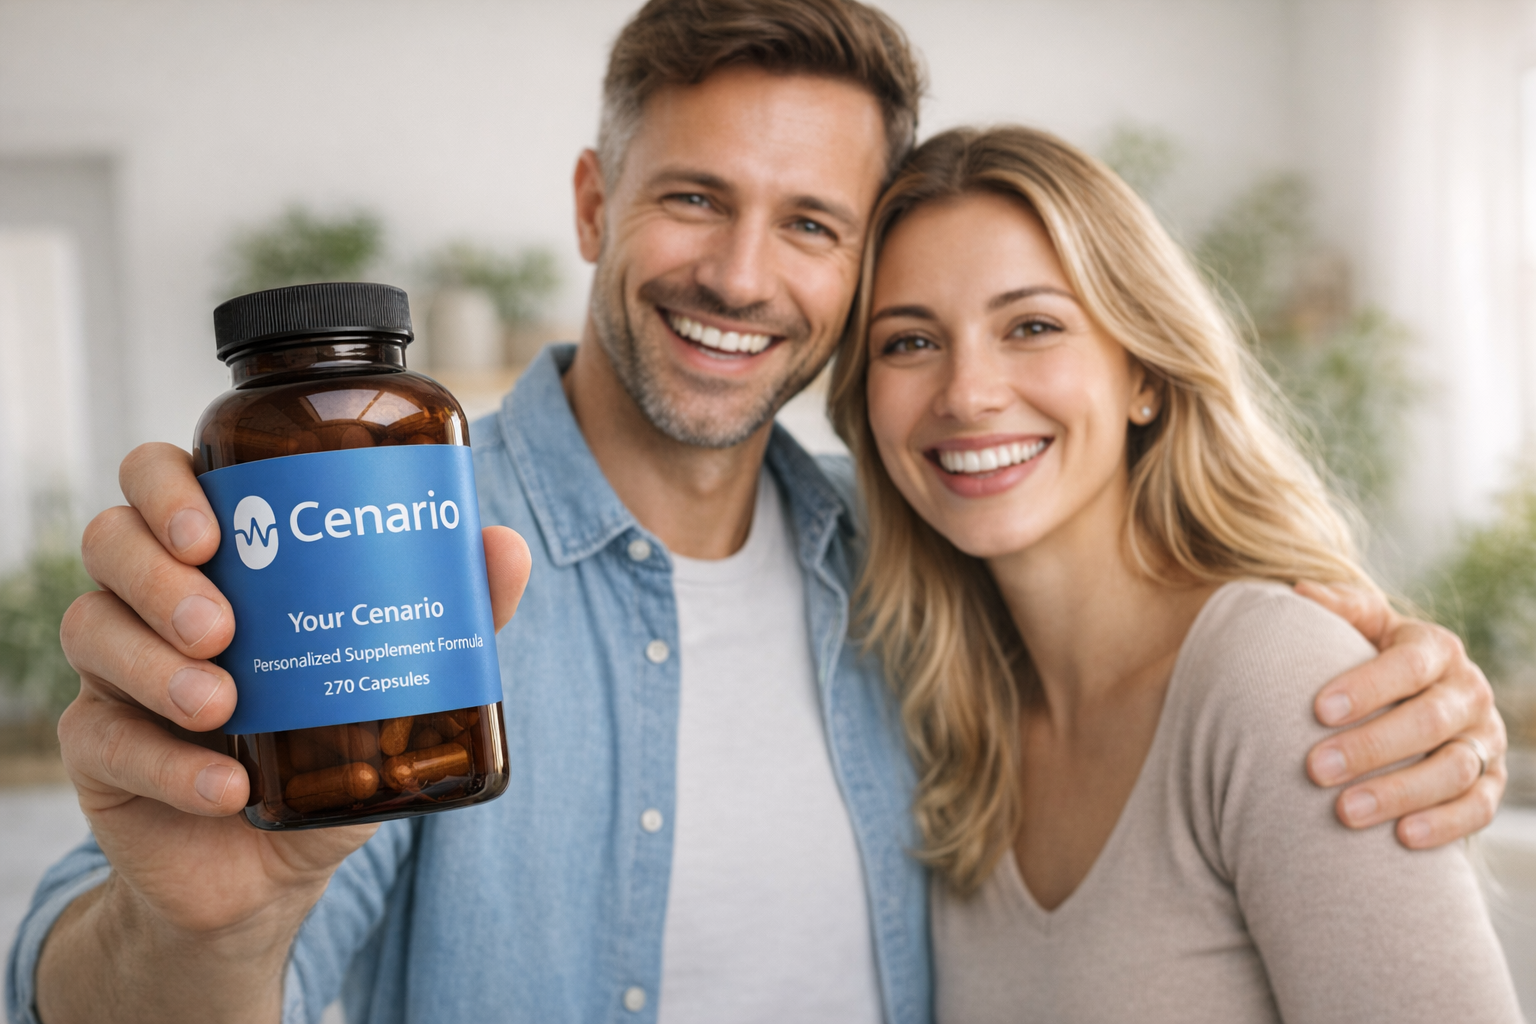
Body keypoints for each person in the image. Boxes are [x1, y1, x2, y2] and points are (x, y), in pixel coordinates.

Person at [3, 2, 1508, 1022]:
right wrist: (199, 930)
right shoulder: (392, 571)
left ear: (854, 275)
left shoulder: (913, 567)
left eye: (811, 225)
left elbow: (1191, 651)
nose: (740, 274)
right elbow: (135, 958)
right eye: (693, 198)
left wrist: (1393, 668)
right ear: (594, 204)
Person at [828, 125, 1521, 1022]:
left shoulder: (1281, 684)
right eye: (909, 343)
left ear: (1143, 375)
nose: (967, 392)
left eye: (1032, 326)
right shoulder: (945, 718)